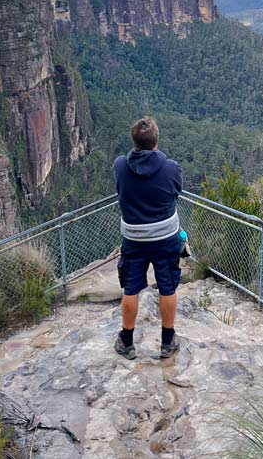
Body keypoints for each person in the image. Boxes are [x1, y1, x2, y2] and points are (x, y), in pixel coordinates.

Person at [113, 116, 184, 360]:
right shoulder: (170, 168)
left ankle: (127, 341)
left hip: (134, 238)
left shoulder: (120, 166)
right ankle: (167, 341)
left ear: (134, 141)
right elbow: (177, 191)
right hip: (165, 237)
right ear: (156, 141)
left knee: (131, 288)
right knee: (167, 287)